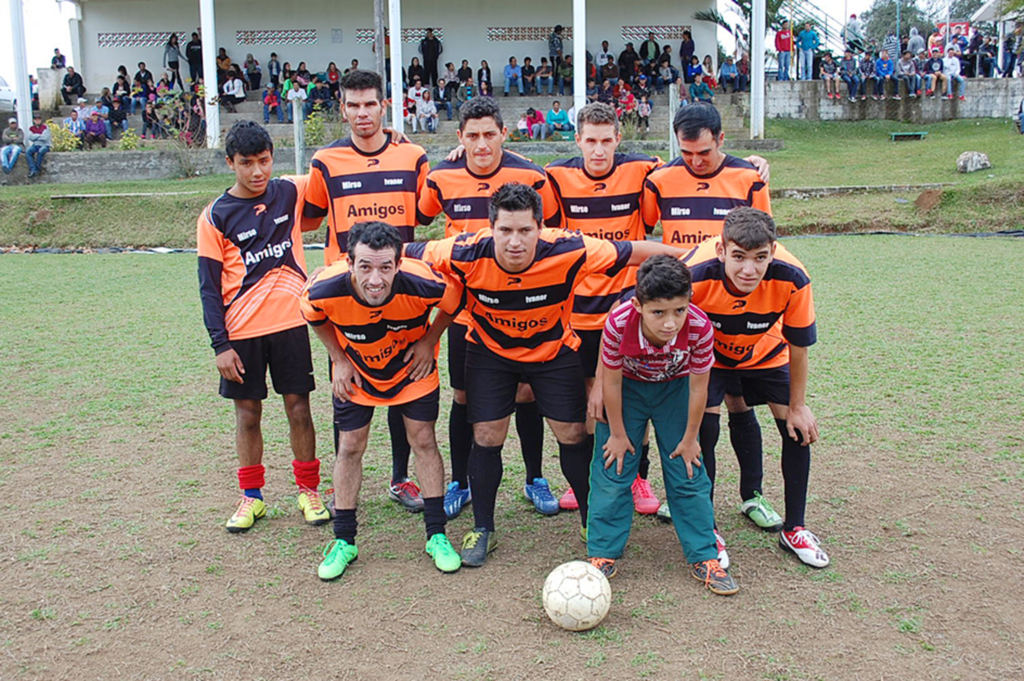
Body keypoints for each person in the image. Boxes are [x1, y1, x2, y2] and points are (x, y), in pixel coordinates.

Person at [405, 182, 682, 567]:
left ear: (541, 227)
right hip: (490, 353)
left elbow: (635, 250)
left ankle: (592, 522)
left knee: (572, 432)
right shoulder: (463, 250)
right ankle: (483, 527)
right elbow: (402, 253)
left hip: (552, 353)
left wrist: (692, 260)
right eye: (505, 230)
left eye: (525, 230)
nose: (515, 241)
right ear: (491, 228)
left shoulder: (569, 248)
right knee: (486, 434)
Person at [417, 97, 562, 519]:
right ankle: (460, 481)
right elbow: (421, 219)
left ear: (504, 133)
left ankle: (535, 477)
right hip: (463, 310)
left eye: (489, 134)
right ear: (459, 138)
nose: (481, 144)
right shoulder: (440, 175)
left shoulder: (532, 175)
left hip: (521, 305)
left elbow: (550, 233)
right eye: (472, 135)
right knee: (463, 396)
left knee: (527, 391)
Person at [301, 221, 463, 580]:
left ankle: (436, 534)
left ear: (399, 265)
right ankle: (344, 540)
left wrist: (428, 341)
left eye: (386, 267)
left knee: (423, 440)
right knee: (350, 446)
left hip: (412, 371)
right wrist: (338, 359)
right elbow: (312, 315)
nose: (376, 278)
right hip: (356, 372)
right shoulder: (324, 288)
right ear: (349, 263)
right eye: (365, 267)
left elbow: (455, 302)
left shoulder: (425, 282)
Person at [303, 70, 430, 511]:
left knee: (403, 384)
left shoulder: (413, 157)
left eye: (369, 104)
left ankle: (400, 479)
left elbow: (437, 200)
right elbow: (309, 217)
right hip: (345, 299)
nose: (362, 113)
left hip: (399, 292)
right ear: (343, 109)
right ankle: (344, 486)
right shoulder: (326, 161)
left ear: (384, 106)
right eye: (353, 105)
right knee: (347, 385)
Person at [196, 120, 325, 535]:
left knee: (299, 409)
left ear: (274, 158)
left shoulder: (290, 190)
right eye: (246, 163)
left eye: (264, 161)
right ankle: (251, 497)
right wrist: (221, 345)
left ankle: (308, 490)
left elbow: (337, 170)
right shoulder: (215, 215)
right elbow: (209, 287)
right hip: (242, 333)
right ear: (230, 163)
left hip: (291, 324)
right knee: (248, 414)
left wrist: (391, 138)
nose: (257, 172)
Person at [681, 207, 829, 569]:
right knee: (705, 428)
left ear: (773, 251)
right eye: (739, 258)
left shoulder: (793, 278)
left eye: (760, 258)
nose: (749, 269)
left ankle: (794, 528)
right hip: (709, 357)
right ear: (721, 251)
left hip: (765, 351)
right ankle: (707, 527)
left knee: (797, 431)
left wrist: (798, 406)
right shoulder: (693, 275)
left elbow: (799, 346)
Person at [586, 255, 738, 594]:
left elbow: (700, 386)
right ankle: (602, 553)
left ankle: (704, 555)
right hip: (628, 389)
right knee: (614, 467)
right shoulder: (618, 322)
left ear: (689, 303)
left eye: (679, 311)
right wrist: (620, 434)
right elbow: (611, 383)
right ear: (638, 305)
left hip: (675, 389)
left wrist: (689, 438)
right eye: (659, 313)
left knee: (688, 470)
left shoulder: (699, 326)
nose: (670, 323)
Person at [544, 102, 665, 514]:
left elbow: (690, 168)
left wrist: (754, 162)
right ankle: (586, 480)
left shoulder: (644, 170)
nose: (598, 150)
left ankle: (638, 479)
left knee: (632, 398)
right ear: (577, 140)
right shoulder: (556, 176)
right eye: (590, 141)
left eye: (606, 141)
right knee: (583, 403)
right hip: (576, 312)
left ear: (618, 140)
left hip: (627, 311)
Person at [642, 105, 770, 252]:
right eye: (687, 153)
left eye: (704, 153)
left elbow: (765, 241)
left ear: (720, 139)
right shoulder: (658, 181)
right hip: (680, 273)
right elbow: (643, 229)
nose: (696, 162)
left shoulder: (752, 179)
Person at [25, 113, 51, 178]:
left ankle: (37, 168)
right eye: (36, 119)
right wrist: (40, 135)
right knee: (28, 151)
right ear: (34, 120)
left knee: (41, 151)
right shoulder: (31, 128)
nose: (37, 121)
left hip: (45, 145)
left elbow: (45, 138)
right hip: (36, 145)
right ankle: (33, 169)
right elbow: (30, 137)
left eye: (39, 119)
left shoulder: (45, 127)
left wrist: (36, 136)